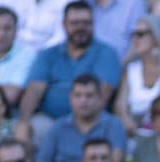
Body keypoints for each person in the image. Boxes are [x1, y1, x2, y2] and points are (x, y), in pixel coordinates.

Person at [17, 1, 122, 142]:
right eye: (74, 23)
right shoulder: (48, 54)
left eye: (86, 23)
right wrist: (23, 122)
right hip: (50, 119)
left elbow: (103, 93)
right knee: (31, 129)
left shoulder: (106, 53)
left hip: (91, 120)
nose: (80, 28)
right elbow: (34, 90)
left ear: (93, 24)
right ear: (64, 25)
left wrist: (74, 125)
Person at [36, 74, 128, 162]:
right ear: (70, 98)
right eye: (78, 95)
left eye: (89, 96)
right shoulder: (58, 127)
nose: (83, 101)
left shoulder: (113, 125)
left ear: (100, 99)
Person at [114, 15, 160, 136]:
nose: (135, 39)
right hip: (136, 136)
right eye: (134, 34)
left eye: (141, 34)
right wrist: (132, 129)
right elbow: (120, 107)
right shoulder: (131, 69)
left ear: (158, 36)